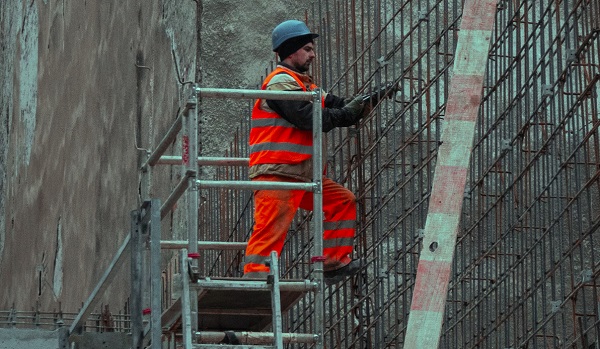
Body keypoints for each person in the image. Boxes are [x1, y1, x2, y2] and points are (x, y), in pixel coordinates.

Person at [243, 20, 368, 284]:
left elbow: (339, 107)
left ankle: (334, 262)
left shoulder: (305, 86)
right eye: (308, 49)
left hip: (301, 175)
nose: (313, 54)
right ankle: (255, 280)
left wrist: (370, 100)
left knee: (342, 200)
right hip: (277, 172)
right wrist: (346, 112)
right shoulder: (279, 82)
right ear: (290, 51)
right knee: (270, 230)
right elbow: (305, 117)